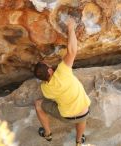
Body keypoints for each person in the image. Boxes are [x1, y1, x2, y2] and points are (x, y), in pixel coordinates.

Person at [34, 17, 91, 146]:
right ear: (49, 71)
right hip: (84, 112)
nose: (49, 65)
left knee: (38, 104)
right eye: (48, 65)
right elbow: (72, 51)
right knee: (82, 117)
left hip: (67, 117)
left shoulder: (45, 89)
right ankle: (78, 141)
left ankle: (47, 134)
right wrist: (71, 28)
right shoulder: (62, 71)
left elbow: (49, 94)